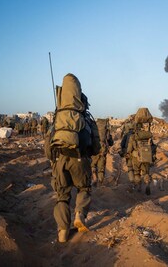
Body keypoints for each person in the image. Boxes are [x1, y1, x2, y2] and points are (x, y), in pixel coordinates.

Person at [48, 73, 100, 243]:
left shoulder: (57, 117)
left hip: (59, 160)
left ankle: (62, 232)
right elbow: (96, 147)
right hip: (80, 158)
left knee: (62, 196)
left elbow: (48, 146)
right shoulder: (85, 118)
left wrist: (54, 161)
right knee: (84, 188)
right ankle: (79, 214)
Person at [91, 118, 113, 186]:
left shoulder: (93, 127)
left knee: (93, 165)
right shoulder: (106, 129)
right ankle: (100, 183)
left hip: (94, 148)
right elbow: (109, 140)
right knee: (101, 168)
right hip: (103, 149)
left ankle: (94, 177)